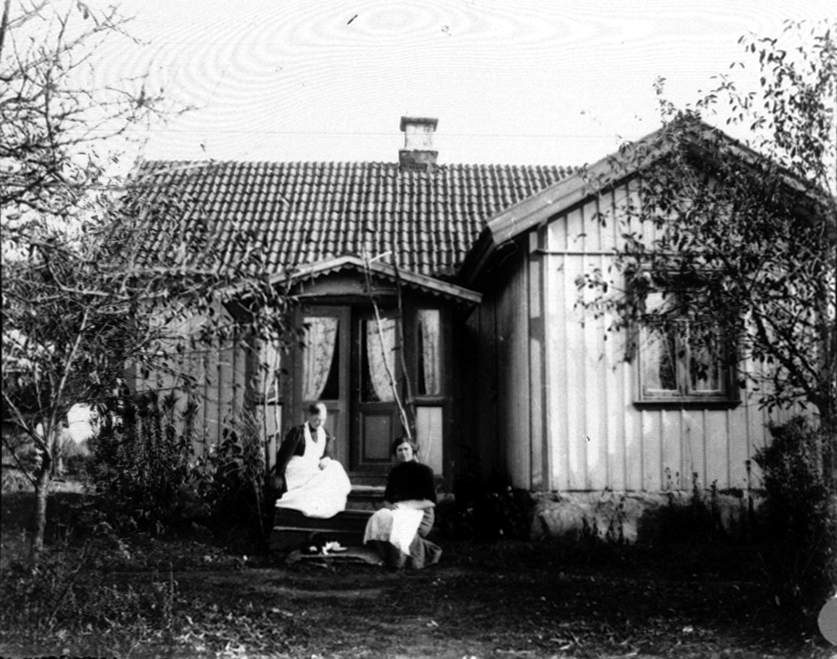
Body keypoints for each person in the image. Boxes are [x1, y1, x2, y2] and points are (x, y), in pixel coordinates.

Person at [363, 437, 442, 569]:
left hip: (422, 512)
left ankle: (405, 560)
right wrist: (390, 506)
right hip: (399, 510)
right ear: (395, 453)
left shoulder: (424, 470)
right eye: (399, 450)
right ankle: (386, 556)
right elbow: (387, 498)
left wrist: (408, 506)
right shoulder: (394, 472)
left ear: (413, 450)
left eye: (406, 449)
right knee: (378, 517)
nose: (403, 453)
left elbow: (431, 501)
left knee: (400, 522)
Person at [273, 402, 351, 518]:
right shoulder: (298, 432)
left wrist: (326, 458)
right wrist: (279, 474)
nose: (319, 423)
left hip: (313, 466)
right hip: (298, 469)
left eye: (322, 420)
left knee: (335, 467)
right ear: (309, 415)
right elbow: (284, 455)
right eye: (316, 419)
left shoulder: (324, 434)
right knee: (319, 476)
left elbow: (327, 452)